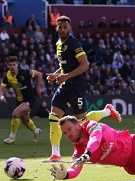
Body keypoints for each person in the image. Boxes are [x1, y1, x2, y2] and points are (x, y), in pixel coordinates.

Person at [43, 15, 122, 163]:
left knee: (82, 122)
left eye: (65, 27)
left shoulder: (74, 44)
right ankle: (55, 154)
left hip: (77, 85)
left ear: (70, 28)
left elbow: (85, 65)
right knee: (54, 117)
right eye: (60, 27)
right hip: (65, 85)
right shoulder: (59, 43)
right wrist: (55, 75)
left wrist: (66, 76)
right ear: (56, 28)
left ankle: (107, 112)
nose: (63, 29)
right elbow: (64, 66)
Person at [0, 56, 43, 144]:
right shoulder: (7, 76)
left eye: (14, 65)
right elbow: (0, 89)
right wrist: (1, 97)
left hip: (30, 99)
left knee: (15, 113)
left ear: (17, 65)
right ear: (7, 66)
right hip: (19, 100)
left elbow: (39, 74)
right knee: (25, 120)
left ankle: (12, 138)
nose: (12, 67)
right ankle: (36, 131)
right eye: (10, 65)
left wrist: (38, 88)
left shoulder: (25, 72)